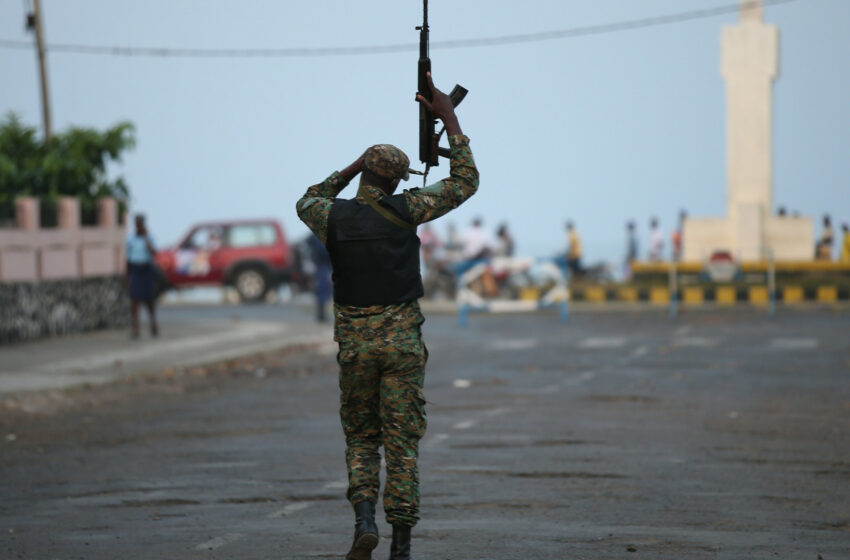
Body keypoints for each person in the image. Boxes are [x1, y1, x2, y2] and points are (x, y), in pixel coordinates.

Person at [295, 72, 478, 560]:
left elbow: (307, 197)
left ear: (364, 174)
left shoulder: (329, 216)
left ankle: (363, 521)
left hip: (355, 348)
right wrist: (449, 117)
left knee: (360, 436)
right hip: (400, 347)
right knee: (402, 444)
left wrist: (355, 164)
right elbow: (466, 182)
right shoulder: (408, 207)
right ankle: (401, 546)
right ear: (396, 180)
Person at [125, 214, 159, 338]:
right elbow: (127, 258)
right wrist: (127, 276)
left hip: (146, 268)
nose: (139, 226)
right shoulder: (130, 239)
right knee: (134, 299)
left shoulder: (150, 238)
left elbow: (154, 252)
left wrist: (146, 238)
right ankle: (135, 328)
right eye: (137, 224)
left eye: (141, 224)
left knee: (149, 299)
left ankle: (153, 322)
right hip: (135, 269)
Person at [307, 233, 332, 322]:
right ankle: (321, 314)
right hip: (323, 263)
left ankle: (321, 313)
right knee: (323, 287)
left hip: (322, 263)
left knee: (323, 287)